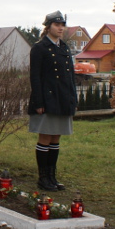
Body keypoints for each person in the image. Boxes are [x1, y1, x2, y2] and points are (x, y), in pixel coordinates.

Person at [27, 11, 77, 192]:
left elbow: (70, 76)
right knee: (46, 137)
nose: (61, 28)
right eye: (57, 25)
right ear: (48, 27)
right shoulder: (39, 48)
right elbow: (35, 77)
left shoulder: (64, 47)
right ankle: (43, 178)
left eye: (62, 25)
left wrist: (73, 99)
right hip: (47, 100)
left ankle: (52, 177)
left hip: (62, 99)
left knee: (56, 137)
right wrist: (39, 102)